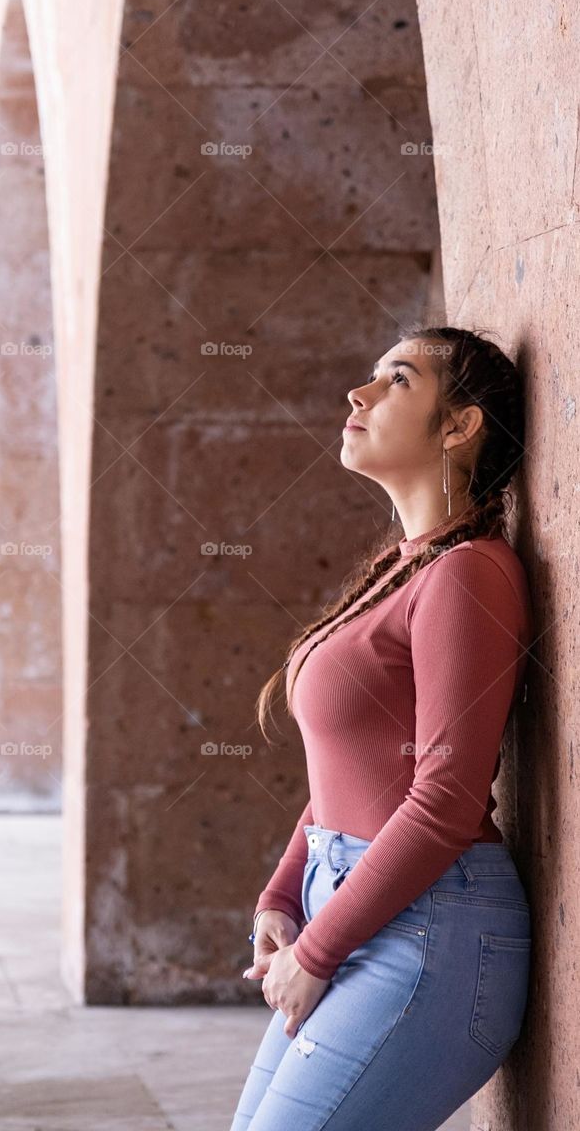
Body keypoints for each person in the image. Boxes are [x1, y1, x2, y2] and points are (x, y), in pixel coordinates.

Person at [230, 325, 534, 1131]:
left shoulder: (468, 574)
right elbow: (350, 770)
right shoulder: (411, 564)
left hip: (430, 930)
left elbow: (442, 796)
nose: (357, 395)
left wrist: (318, 951)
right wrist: (282, 894)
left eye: (396, 380)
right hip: (358, 906)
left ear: (459, 426)